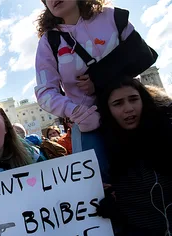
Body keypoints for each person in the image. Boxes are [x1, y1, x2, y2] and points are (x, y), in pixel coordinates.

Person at [35, 0, 157, 183]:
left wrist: (99, 77)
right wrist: (75, 111)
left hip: (132, 108)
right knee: (96, 183)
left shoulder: (112, 16)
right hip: (90, 121)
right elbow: (45, 92)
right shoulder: (48, 42)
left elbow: (144, 55)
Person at [97, 77, 172, 236]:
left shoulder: (166, 131)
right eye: (118, 103)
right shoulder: (105, 147)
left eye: (133, 99)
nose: (128, 109)